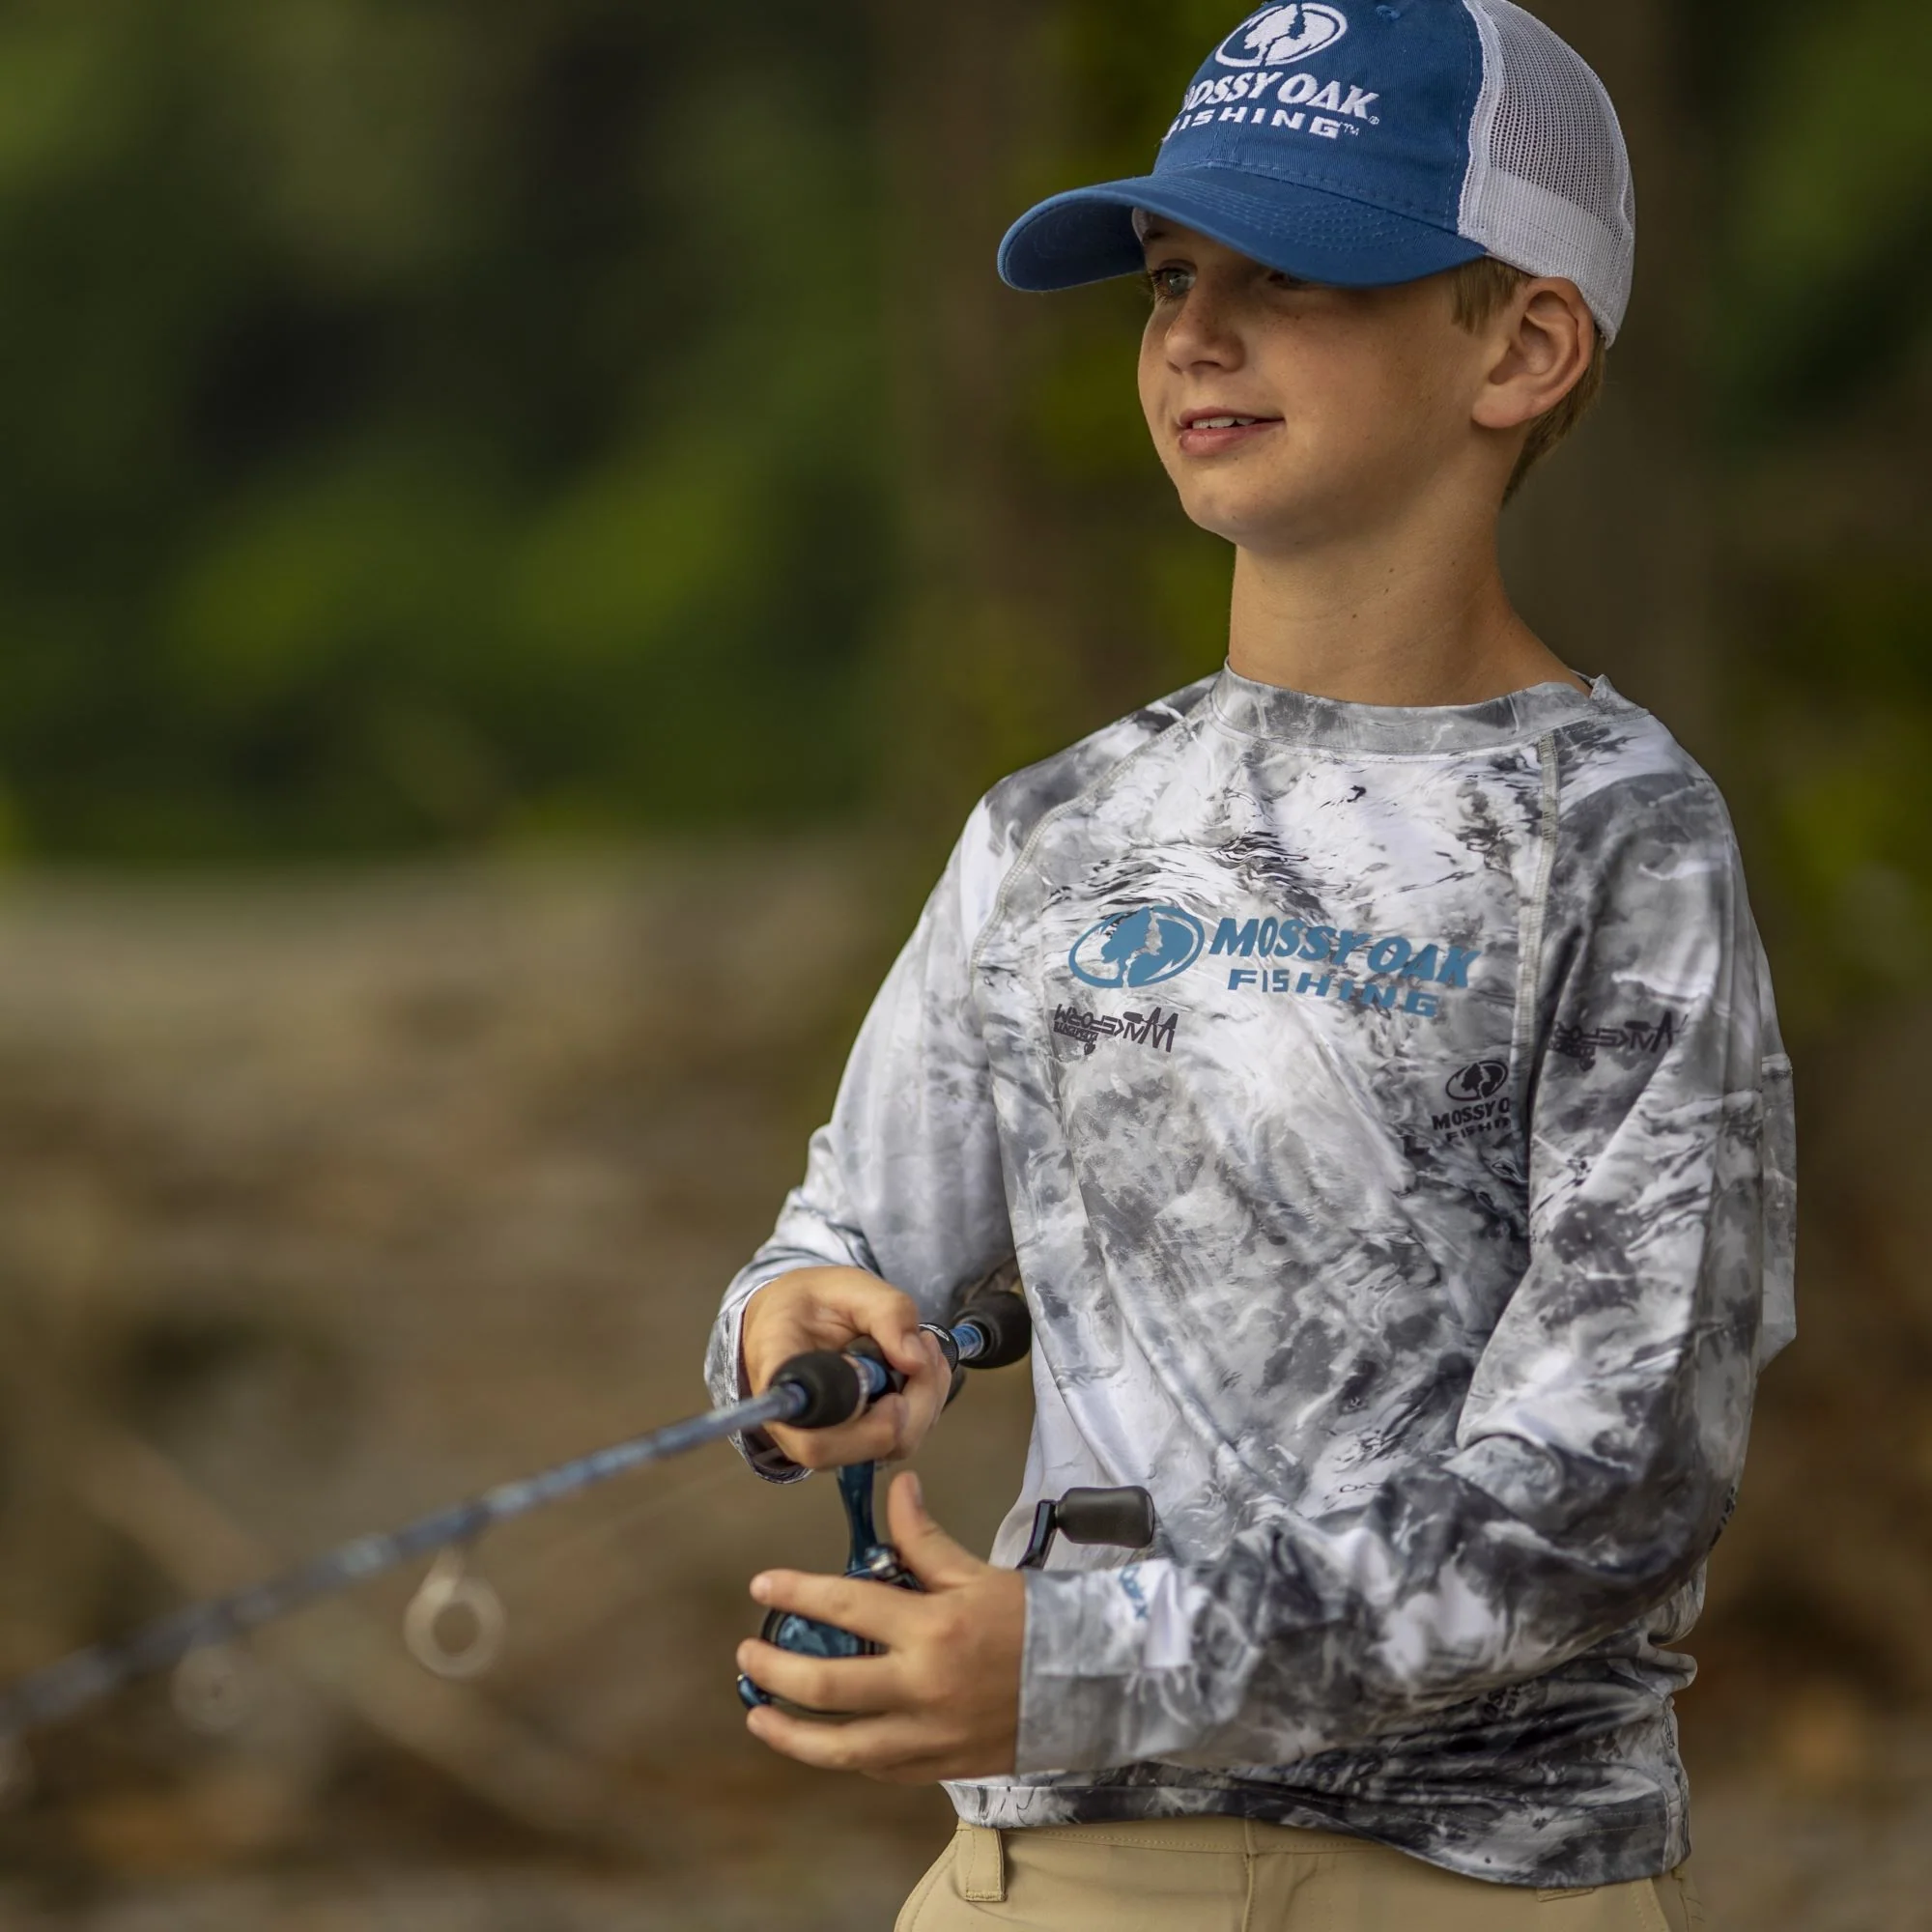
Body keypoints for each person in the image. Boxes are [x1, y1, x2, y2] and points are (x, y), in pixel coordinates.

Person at [703, 3, 1795, 1925]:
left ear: (1524, 345)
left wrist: (1081, 1658)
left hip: (1464, 1886)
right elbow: (843, 1244)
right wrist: (805, 1328)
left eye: (1293, 275)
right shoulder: (1049, 829)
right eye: (1171, 278)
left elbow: (1610, 1488)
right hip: (1034, 1872)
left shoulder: (1615, 831)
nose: (1196, 333)